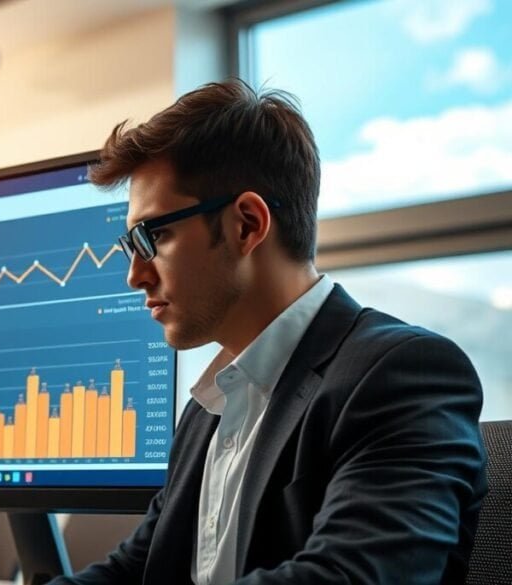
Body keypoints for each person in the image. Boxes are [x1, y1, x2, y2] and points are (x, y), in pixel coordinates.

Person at [50, 80, 487, 585]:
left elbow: (347, 577)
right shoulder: (209, 410)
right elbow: (136, 569)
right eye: (131, 245)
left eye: (155, 236)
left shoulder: (403, 374)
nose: (136, 275)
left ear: (247, 225)